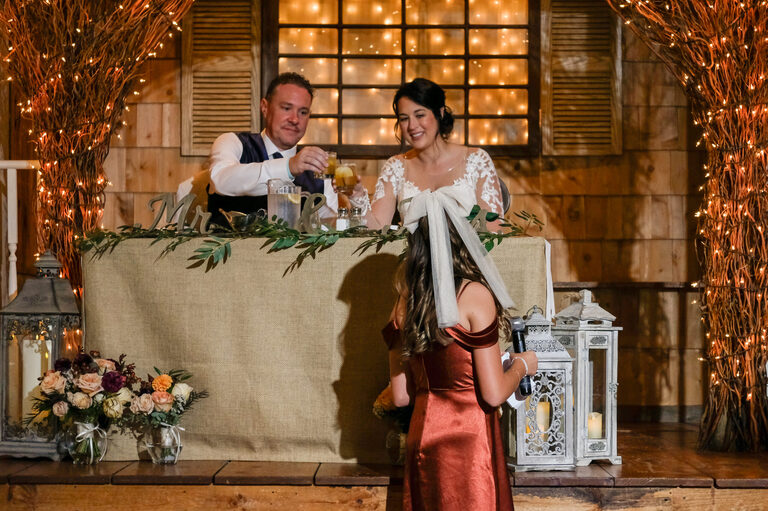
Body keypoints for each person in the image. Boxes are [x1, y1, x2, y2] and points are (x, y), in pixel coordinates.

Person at [381, 186, 538, 511]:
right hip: (469, 442)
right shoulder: (474, 296)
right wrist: (523, 365)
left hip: (423, 439)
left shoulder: (404, 301)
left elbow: (401, 397)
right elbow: (493, 394)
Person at [350, 78, 506, 229]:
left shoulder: (477, 160)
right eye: (404, 119)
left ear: (440, 112)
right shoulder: (395, 167)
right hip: (412, 249)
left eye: (420, 115)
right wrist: (357, 197)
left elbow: (494, 230)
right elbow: (376, 230)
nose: (412, 126)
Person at [206, 72, 337, 226]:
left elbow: (329, 226)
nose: (295, 119)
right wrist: (288, 167)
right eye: (286, 108)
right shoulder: (233, 142)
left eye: (303, 112)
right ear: (265, 107)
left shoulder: (317, 167)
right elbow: (220, 180)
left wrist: (355, 199)